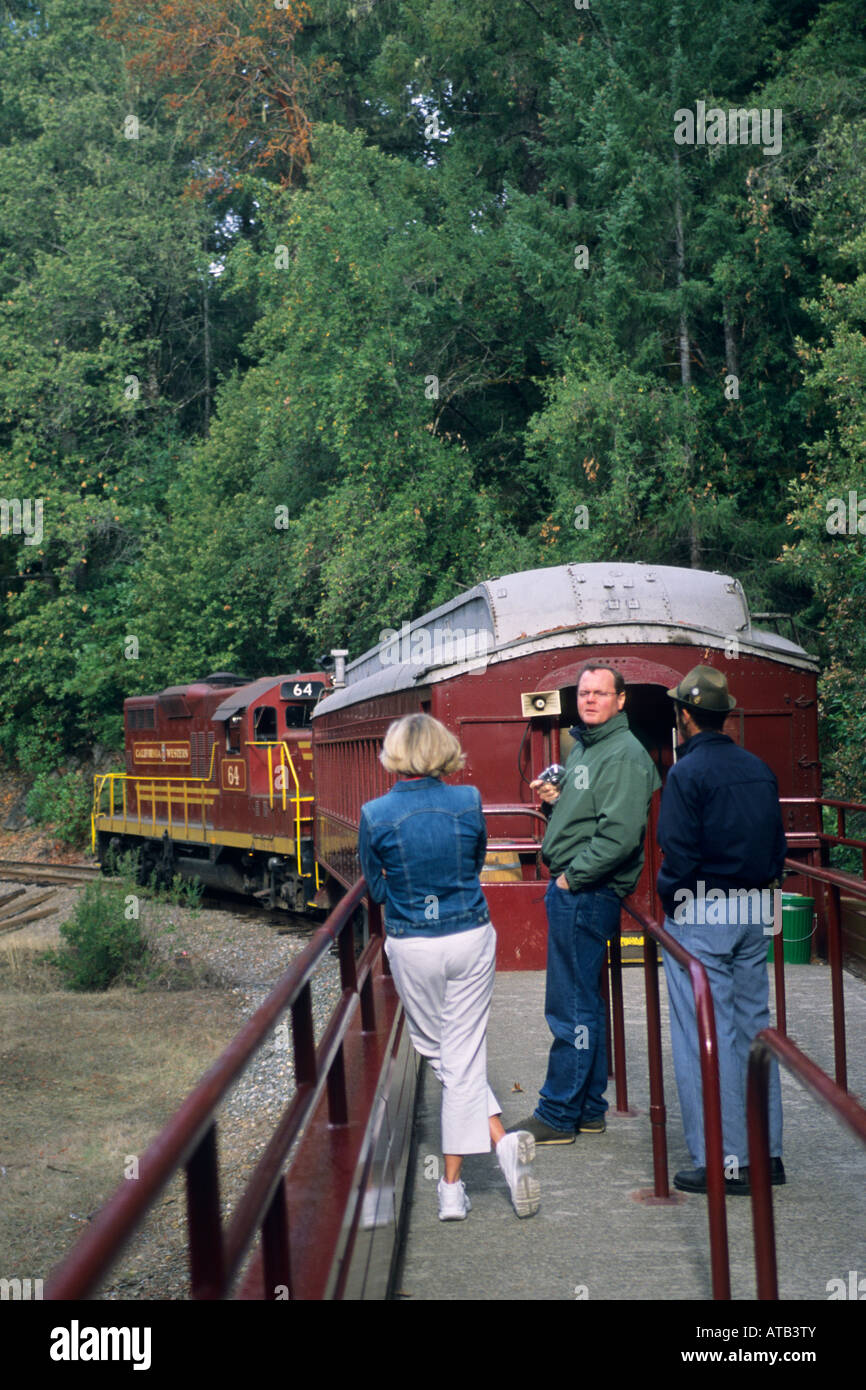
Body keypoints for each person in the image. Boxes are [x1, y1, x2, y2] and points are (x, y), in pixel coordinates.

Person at [358, 713, 540, 1221]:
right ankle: (502, 1144)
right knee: (458, 1055)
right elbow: (478, 859)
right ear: (444, 750)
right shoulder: (469, 801)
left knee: (440, 1052)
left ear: (394, 754)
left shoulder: (375, 814)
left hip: (413, 943)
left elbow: (374, 889)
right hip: (470, 936)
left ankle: (452, 1188)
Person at [510, 664, 661, 1144]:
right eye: (583, 693)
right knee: (585, 1002)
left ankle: (557, 1114)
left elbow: (619, 836)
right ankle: (590, 1108)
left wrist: (572, 880)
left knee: (570, 1005)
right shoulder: (589, 748)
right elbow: (588, 818)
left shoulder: (622, 754)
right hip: (581, 889)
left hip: (587, 892)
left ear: (621, 700)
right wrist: (557, 803)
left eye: (600, 693)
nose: (590, 700)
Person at [656, 664, 787, 1195]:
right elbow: (776, 843)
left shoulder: (685, 774)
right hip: (758, 908)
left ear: (685, 716)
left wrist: (671, 899)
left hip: (702, 910)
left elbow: (678, 854)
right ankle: (768, 1153)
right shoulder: (758, 768)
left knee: (701, 1034)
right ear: (723, 714)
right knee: (754, 1031)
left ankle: (727, 1161)